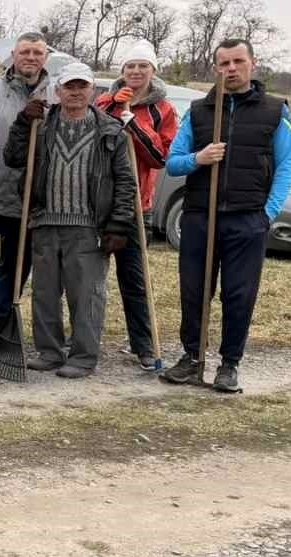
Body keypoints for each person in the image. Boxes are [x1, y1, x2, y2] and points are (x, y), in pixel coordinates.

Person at [161, 39, 291, 393]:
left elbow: (285, 168)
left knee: (239, 294)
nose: (230, 69)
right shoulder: (199, 111)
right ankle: (192, 357)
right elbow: (173, 163)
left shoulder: (275, 110)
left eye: (238, 61)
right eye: (223, 63)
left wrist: (266, 214)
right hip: (199, 217)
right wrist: (199, 158)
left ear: (253, 63)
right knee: (194, 292)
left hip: (247, 219)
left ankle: (229, 364)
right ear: (216, 67)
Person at [3, 63, 137, 378]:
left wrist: (119, 224)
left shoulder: (111, 131)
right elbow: (13, 157)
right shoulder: (42, 126)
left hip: (89, 227)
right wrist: (23, 123)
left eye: (82, 86)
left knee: (86, 294)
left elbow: (125, 182)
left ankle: (83, 356)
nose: (75, 92)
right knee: (44, 293)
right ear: (58, 90)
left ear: (92, 90)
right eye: (69, 86)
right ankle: (49, 351)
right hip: (44, 222)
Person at [94, 40, 178, 368]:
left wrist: (134, 123)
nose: (136, 71)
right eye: (130, 66)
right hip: (98, 200)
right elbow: (88, 132)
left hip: (134, 205)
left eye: (143, 66)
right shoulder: (103, 101)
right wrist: (114, 108)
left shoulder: (164, 110)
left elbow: (160, 157)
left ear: (153, 71)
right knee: (88, 276)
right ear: (122, 71)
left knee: (134, 278)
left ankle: (143, 345)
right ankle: (83, 339)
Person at [0, 31, 49, 341]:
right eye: (25, 51)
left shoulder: (55, 95)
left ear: (45, 59)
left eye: (37, 53)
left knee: (14, 268)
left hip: (26, 200)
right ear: (13, 55)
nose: (31, 57)